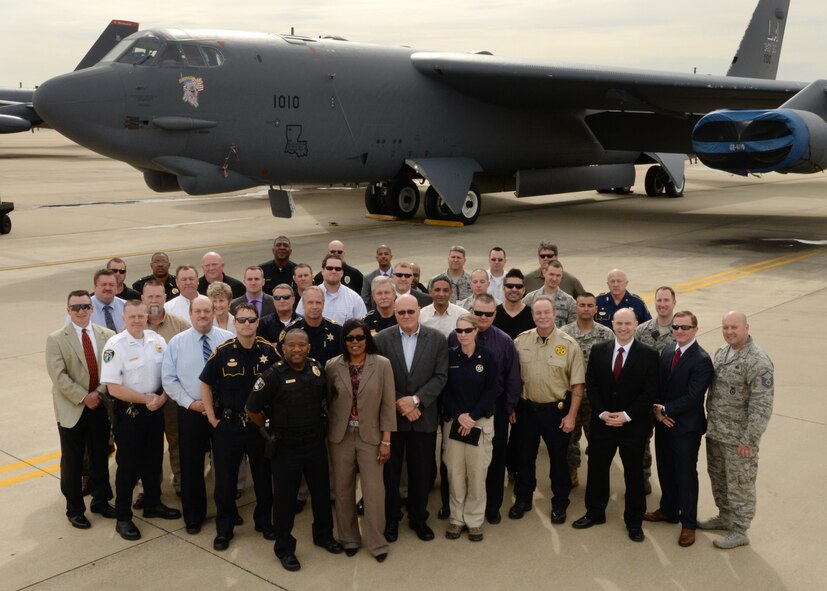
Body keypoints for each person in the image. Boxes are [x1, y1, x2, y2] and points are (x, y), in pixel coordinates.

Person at [246, 330, 345, 572]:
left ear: (309, 348)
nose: (297, 350)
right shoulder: (272, 376)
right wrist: (267, 431)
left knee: (321, 494)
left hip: (314, 444)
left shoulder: (317, 369)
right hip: (286, 447)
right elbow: (252, 409)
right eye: (292, 346)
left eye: (302, 345)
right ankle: (284, 548)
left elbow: (326, 398)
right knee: (285, 500)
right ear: (283, 348)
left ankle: (323, 535)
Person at [572, 308, 659, 543]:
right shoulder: (600, 350)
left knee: (634, 475)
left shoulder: (649, 355)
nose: (622, 328)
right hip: (603, 424)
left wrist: (627, 415)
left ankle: (634, 521)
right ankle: (595, 512)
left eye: (627, 323)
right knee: (597, 470)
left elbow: (649, 392)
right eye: (618, 323)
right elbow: (592, 383)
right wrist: (601, 412)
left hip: (633, 426)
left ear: (636, 324)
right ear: (612, 324)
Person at [100, 300, 181, 541]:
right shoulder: (115, 346)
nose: (137, 320)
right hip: (130, 412)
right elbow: (113, 388)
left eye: (141, 316)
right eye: (132, 316)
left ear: (147, 316)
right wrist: (145, 399)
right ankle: (123, 518)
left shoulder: (156, 341)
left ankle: (153, 504)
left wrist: (162, 397)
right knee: (128, 467)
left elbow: (169, 374)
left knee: (154, 461)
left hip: (155, 408)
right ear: (124, 318)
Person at [200, 303, 278, 551]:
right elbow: (204, 383)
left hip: (258, 429)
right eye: (242, 320)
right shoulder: (222, 353)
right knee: (224, 482)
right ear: (235, 323)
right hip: (229, 427)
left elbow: (279, 387)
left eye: (251, 320)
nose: (246, 324)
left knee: (264, 479)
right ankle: (225, 529)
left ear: (257, 322)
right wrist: (212, 417)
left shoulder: (269, 351)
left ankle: (264, 522)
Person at [374, 294, 448, 543]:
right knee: (391, 474)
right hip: (392, 420)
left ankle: (418, 518)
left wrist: (416, 401)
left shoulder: (436, 339)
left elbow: (440, 376)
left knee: (420, 473)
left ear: (419, 311)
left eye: (410, 311)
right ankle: (392, 519)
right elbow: (379, 379)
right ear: (394, 313)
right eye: (401, 312)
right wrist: (400, 403)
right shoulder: (382, 340)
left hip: (423, 417)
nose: (406, 316)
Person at [698, 311, 774, 550]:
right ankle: (725, 516)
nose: (729, 331)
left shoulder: (758, 361)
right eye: (725, 327)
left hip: (739, 440)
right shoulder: (722, 352)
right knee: (719, 478)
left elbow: (762, 406)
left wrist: (749, 439)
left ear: (746, 327)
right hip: (717, 432)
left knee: (740, 483)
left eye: (734, 327)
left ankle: (740, 529)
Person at [509, 297, 585, 525]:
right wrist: (512, 406)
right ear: (533, 316)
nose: (542, 317)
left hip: (556, 412)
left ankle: (560, 502)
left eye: (546, 312)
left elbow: (577, 385)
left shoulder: (569, 344)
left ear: (554, 314)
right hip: (526, 411)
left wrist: (571, 415)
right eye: (538, 313)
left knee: (559, 460)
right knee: (525, 458)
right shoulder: (520, 341)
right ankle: (523, 499)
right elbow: (511, 378)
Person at [325, 319, 396, 561]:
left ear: (367, 338)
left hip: (371, 437)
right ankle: (349, 538)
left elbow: (388, 405)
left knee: (374, 492)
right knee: (343, 491)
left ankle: (377, 543)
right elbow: (326, 402)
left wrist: (386, 440)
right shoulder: (332, 366)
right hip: (340, 437)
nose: (355, 342)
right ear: (344, 341)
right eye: (350, 338)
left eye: (360, 337)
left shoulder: (383, 365)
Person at [162, 296, 233, 534]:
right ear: (190, 314)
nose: (203, 315)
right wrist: (191, 404)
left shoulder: (227, 340)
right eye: (198, 311)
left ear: (214, 312)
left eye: (207, 311)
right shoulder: (177, 343)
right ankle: (193, 515)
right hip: (191, 412)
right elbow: (169, 379)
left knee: (224, 465)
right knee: (191, 466)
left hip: (222, 412)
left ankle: (227, 511)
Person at [447, 295, 521, 525]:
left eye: (488, 314)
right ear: (472, 311)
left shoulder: (504, 341)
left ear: (495, 314)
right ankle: (455, 509)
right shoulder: (454, 337)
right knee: (457, 463)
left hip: (493, 409)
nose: (483, 318)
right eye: (479, 313)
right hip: (460, 409)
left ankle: (491, 507)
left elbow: (512, 377)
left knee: (494, 460)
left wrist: (508, 407)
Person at [46, 290, 116, 529]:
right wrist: (84, 397)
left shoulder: (107, 335)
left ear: (91, 308)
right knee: (73, 461)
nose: (81, 311)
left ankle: (101, 500)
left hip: (99, 406)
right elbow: (59, 376)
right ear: (68, 311)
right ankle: (74, 508)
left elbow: (112, 369)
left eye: (85, 306)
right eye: (75, 308)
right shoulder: (56, 339)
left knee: (99, 456)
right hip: (72, 408)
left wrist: (98, 393)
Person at [644, 311, 714, 548]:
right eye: (676, 327)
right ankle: (669, 510)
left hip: (685, 428)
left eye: (685, 327)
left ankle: (688, 523)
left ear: (695, 329)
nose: (680, 331)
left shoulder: (702, 359)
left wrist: (666, 409)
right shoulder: (667, 350)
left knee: (685, 474)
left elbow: (694, 396)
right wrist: (657, 411)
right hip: (663, 423)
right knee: (664, 469)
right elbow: (658, 384)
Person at [442, 314, 500, 542]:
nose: (463, 335)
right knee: (454, 473)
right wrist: (459, 416)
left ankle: (474, 520)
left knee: (476, 474)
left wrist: (472, 417)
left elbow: (492, 390)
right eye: (459, 331)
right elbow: (444, 389)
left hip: (479, 423)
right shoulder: (449, 356)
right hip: (455, 423)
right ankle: (456, 519)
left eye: (467, 330)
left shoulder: (487, 357)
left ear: (476, 331)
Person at [560, 292, 614, 488]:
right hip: (570, 400)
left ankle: (596, 479)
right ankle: (571, 475)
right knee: (569, 442)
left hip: (596, 401)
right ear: (576, 307)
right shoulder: (564, 333)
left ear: (596, 308)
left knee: (598, 443)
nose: (585, 308)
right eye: (582, 305)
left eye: (590, 305)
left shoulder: (606, 334)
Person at [142, 281, 189, 497]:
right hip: (144, 398)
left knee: (177, 441)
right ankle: (147, 488)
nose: (154, 301)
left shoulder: (180, 325)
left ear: (165, 298)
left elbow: (187, 363)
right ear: (143, 299)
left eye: (158, 297)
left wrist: (166, 395)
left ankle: (181, 482)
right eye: (150, 297)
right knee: (148, 447)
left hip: (172, 397)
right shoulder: (134, 326)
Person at [635, 286, 678, 495]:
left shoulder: (680, 330)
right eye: (659, 300)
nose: (662, 304)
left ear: (674, 303)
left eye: (666, 300)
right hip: (644, 397)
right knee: (641, 440)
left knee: (668, 446)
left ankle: (670, 486)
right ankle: (643, 477)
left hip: (669, 400)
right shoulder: (642, 330)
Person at [298, 254, 366, 325]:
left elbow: (362, 326)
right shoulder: (308, 296)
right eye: (329, 268)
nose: (333, 271)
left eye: (338, 269)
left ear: (342, 273)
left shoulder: (355, 299)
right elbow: (298, 322)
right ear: (322, 271)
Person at [283, 286, 341, 366]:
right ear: (303, 304)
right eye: (310, 302)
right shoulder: (290, 330)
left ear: (323, 304)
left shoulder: (337, 330)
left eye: (318, 303)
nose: (314, 307)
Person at [522, 261, 576, 327]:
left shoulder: (569, 301)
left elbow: (573, 327)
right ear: (544, 273)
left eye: (558, 275)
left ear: (562, 276)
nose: (554, 279)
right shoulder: (530, 298)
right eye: (551, 274)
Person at [493, 268, 535, 340]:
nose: (514, 289)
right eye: (510, 286)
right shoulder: (493, 314)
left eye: (518, 286)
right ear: (503, 288)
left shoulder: (533, 315)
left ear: (524, 290)